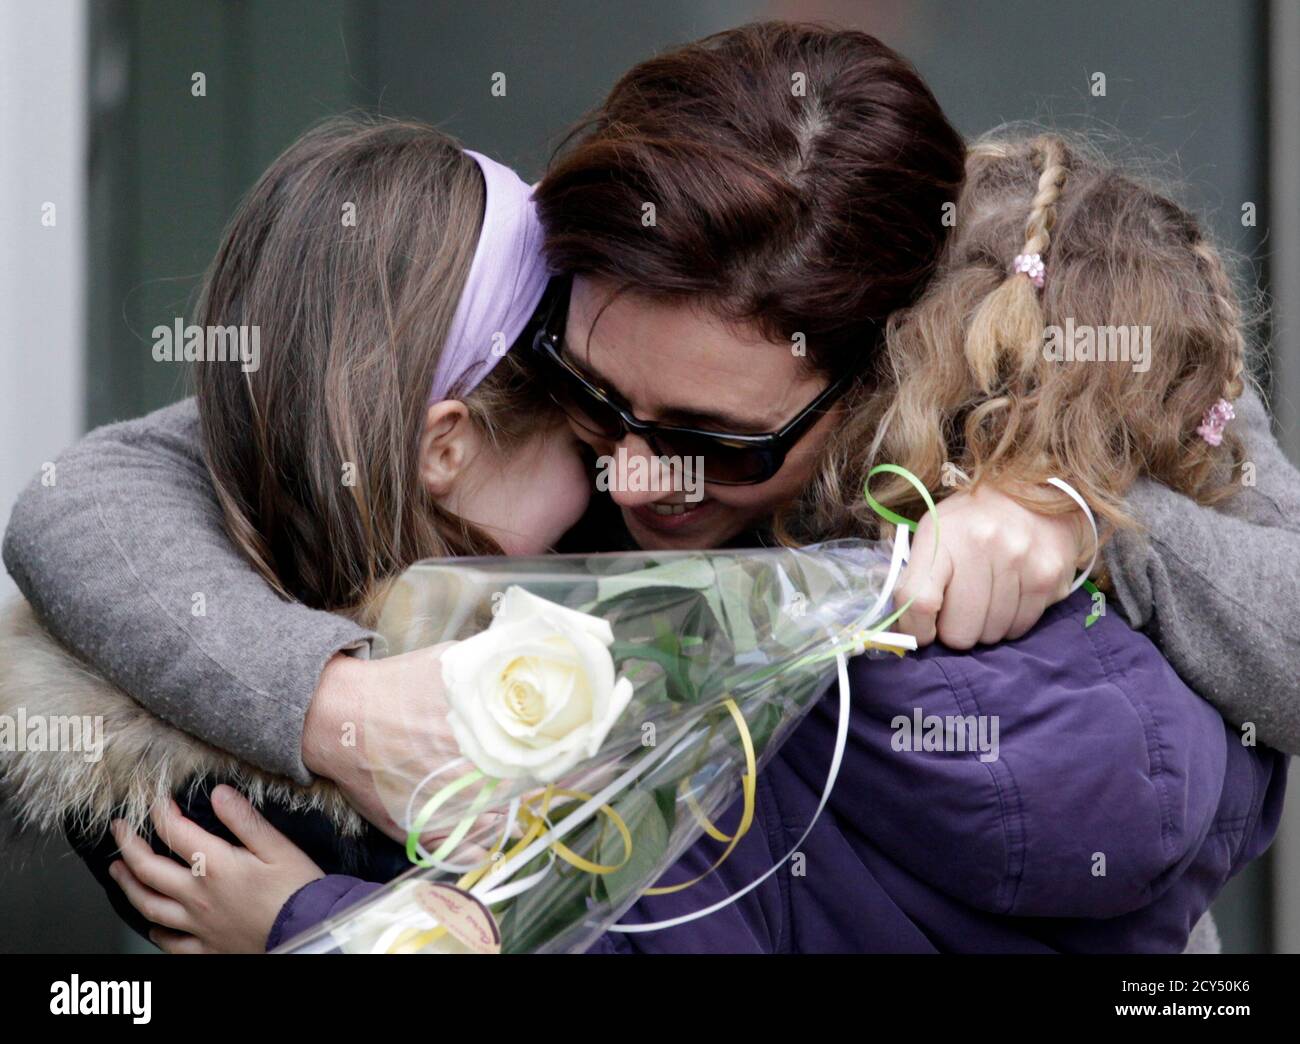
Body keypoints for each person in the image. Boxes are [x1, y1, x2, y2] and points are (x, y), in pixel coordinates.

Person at [0, 23, 1295, 952]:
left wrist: (1077, 511)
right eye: (591, 396)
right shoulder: (595, 267)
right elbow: (92, 490)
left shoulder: (1061, 395)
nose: (628, 469)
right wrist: (337, 707)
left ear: (887, 372)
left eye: (713, 439)